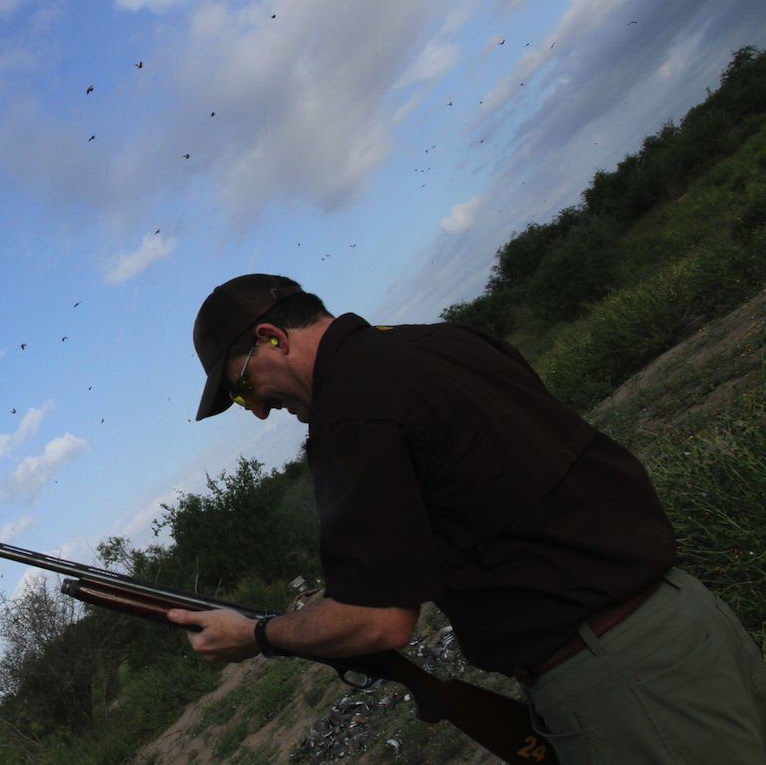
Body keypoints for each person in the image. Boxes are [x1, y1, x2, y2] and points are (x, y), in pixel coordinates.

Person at [169, 273, 766, 763]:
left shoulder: (348, 414)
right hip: (689, 617)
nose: (259, 413)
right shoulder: (443, 341)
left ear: (273, 337)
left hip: (624, 683)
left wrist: (257, 635)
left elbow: (378, 622)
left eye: (245, 390)